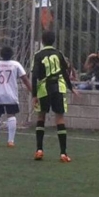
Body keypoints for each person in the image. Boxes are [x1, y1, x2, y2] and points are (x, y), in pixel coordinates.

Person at [32, 31, 77, 163]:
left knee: (41, 116)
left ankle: (39, 150)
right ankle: (63, 153)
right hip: (58, 87)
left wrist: (34, 94)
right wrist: (71, 87)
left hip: (43, 89)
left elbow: (35, 75)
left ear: (42, 40)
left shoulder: (38, 55)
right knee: (60, 118)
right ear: (54, 41)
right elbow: (64, 71)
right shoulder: (59, 54)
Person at [0, 46, 32, 148]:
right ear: (12, 55)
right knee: (11, 115)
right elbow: (25, 79)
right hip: (11, 95)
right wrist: (32, 91)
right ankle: (10, 141)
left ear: (1, 55)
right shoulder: (16, 65)